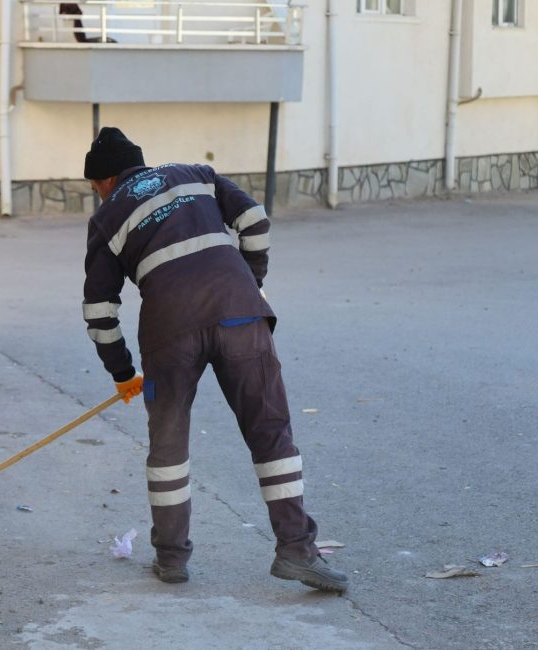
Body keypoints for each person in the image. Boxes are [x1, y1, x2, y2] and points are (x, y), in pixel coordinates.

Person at [81, 127, 347, 592]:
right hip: (240, 314)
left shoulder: (107, 218)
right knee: (271, 432)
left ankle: (171, 558)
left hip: (169, 331)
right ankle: (297, 551)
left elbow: (100, 310)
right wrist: (249, 279)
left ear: (103, 181)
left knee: (168, 447)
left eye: (93, 187)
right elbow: (256, 220)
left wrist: (122, 372)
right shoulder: (195, 174)